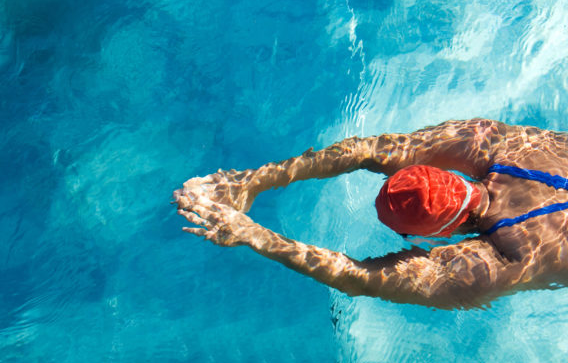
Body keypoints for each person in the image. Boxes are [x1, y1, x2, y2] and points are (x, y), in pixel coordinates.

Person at [173, 118, 568, 309]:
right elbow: (368, 150)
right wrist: (253, 181)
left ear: (447, 230)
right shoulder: (507, 146)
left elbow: (360, 278)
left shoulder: (505, 259)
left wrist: (251, 234)